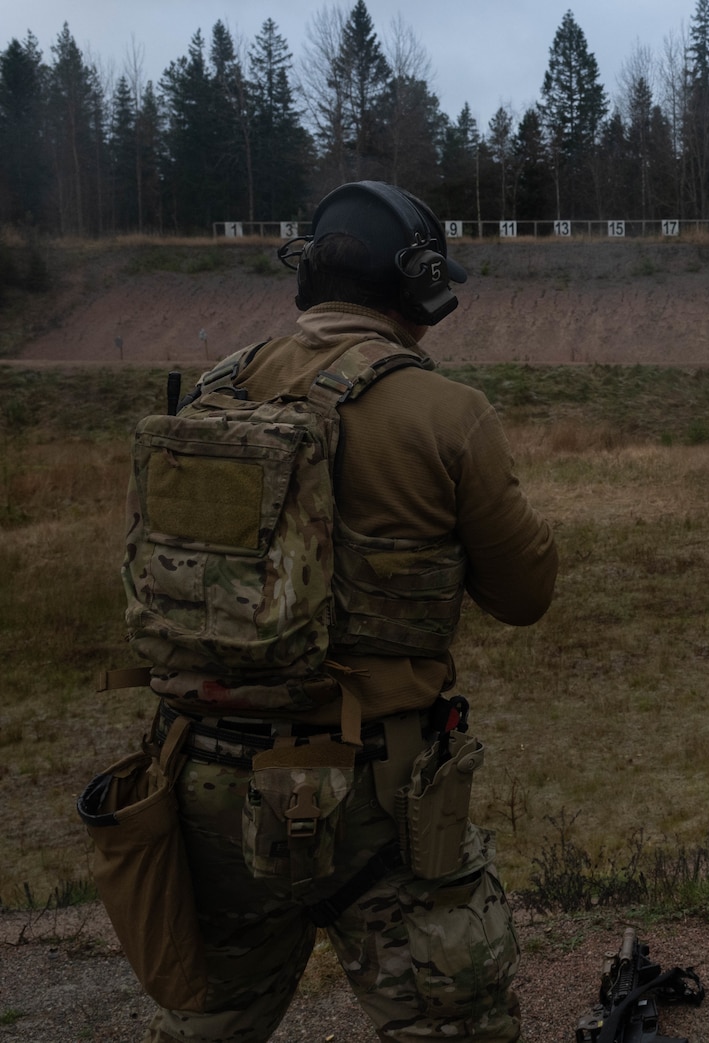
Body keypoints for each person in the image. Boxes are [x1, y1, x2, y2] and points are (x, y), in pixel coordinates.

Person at [114, 181, 557, 1042]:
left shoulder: (213, 392)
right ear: (419, 287)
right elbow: (525, 595)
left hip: (205, 776)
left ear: (308, 277)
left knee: (211, 1020)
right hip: (376, 797)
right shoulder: (450, 414)